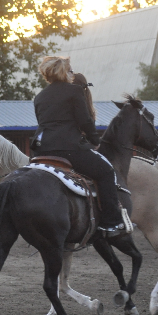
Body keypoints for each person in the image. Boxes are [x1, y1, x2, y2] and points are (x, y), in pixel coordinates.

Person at [30, 56, 125, 237]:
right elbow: (85, 121)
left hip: (42, 150)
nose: (72, 74)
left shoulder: (39, 96)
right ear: (64, 72)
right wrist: (95, 140)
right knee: (106, 172)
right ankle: (111, 223)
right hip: (69, 149)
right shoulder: (74, 91)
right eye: (70, 70)